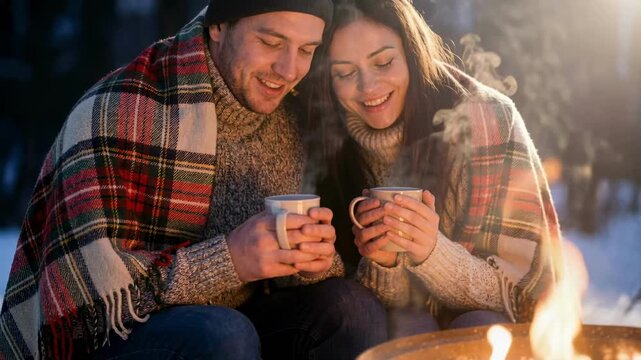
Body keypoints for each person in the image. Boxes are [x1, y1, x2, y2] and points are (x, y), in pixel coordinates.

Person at [0, 1, 388, 359]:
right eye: (271, 41)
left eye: (306, 50)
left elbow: (278, 283)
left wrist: (309, 259)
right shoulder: (119, 112)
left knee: (351, 308)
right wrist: (229, 260)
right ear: (218, 26)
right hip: (115, 337)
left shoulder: (291, 122)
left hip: (237, 326)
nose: (288, 70)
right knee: (223, 332)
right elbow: (82, 303)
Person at [303, 0, 559, 338]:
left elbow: (521, 295)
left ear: (412, 53)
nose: (369, 87)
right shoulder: (321, 135)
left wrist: (433, 253)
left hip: (486, 325)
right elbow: (349, 306)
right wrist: (384, 263)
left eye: (384, 62)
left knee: (479, 327)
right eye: (345, 73)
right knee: (410, 326)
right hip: (386, 327)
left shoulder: (488, 122)